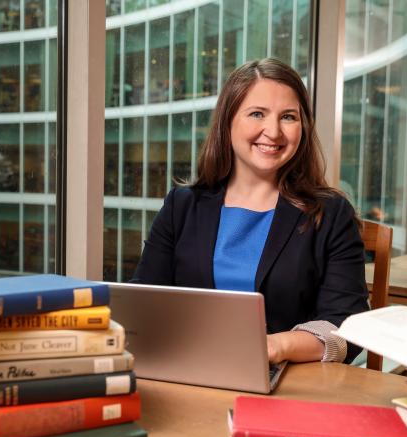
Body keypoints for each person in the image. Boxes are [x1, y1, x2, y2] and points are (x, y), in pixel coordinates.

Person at [131, 58, 368, 364]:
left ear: (303, 127)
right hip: (188, 370)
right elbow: (143, 302)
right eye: (257, 114)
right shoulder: (182, 205)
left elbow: (346, 327)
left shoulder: (332, 214)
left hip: (286, 381)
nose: (273, 131)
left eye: (288, 117)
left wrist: (273, 347)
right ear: (227, 122)